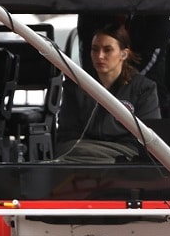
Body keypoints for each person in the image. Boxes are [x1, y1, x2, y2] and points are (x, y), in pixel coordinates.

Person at [53, 23, 161, 163]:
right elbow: (67, 134)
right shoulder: (76, 86)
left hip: (123, 154)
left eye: (107, 50)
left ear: (124, 54)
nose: (100, 56)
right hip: (79, 152)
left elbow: (149, 138)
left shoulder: (143, 88)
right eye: (95, 49)